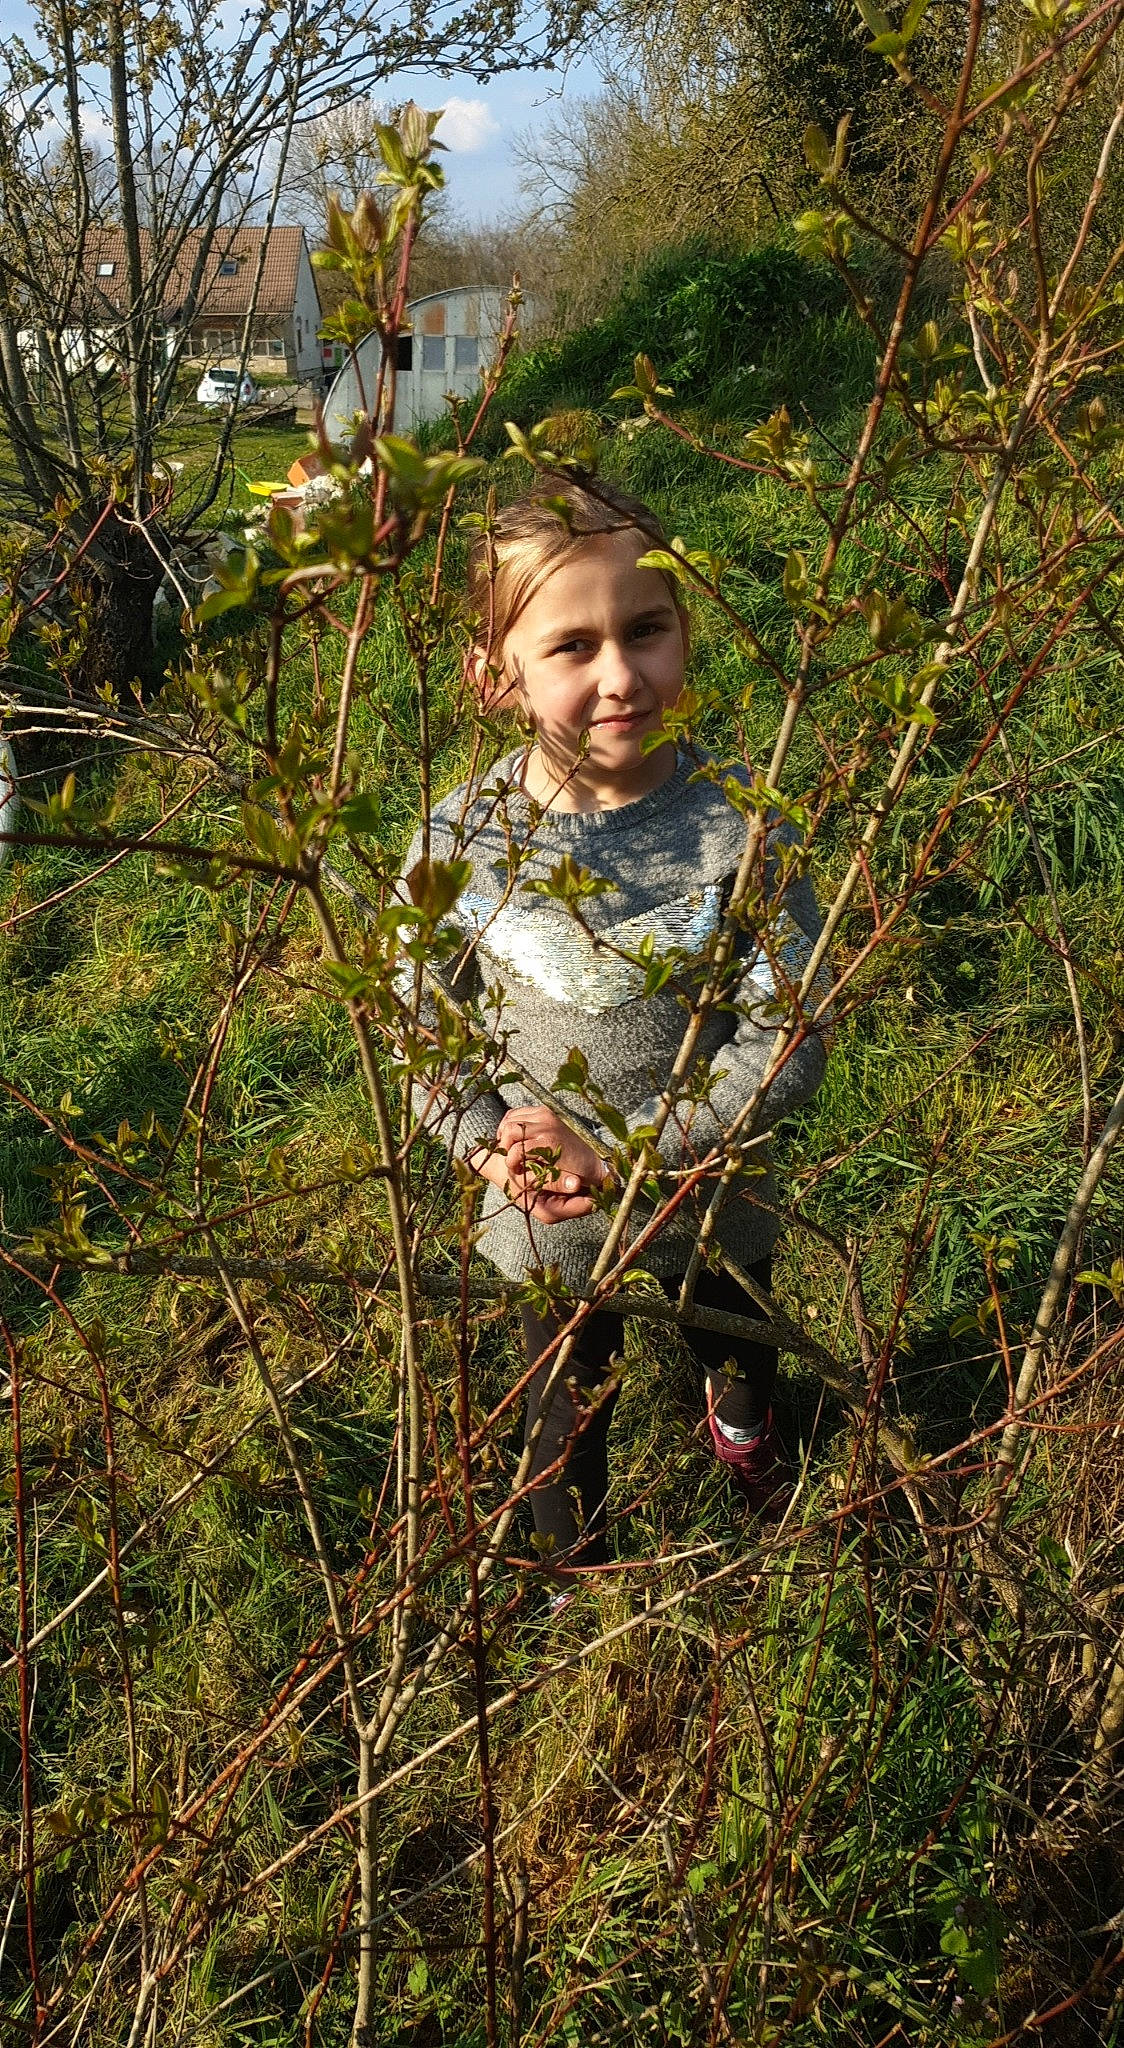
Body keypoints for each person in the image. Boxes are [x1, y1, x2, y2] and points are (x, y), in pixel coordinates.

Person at [396, 473, 828, 1585]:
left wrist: (638, 1151)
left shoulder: (741, 825)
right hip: (543, 1230)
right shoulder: (459, 839)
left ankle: (752, 1463)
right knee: (558, 1417)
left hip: (711, 1203)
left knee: (737, 1358)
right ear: (493, 677)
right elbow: (419, 1026)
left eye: (646, 629)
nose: (621, 675)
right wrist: (489, 1142)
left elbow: (785, 1036)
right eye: (571, 646)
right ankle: (569, 1577)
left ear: (685, 629)